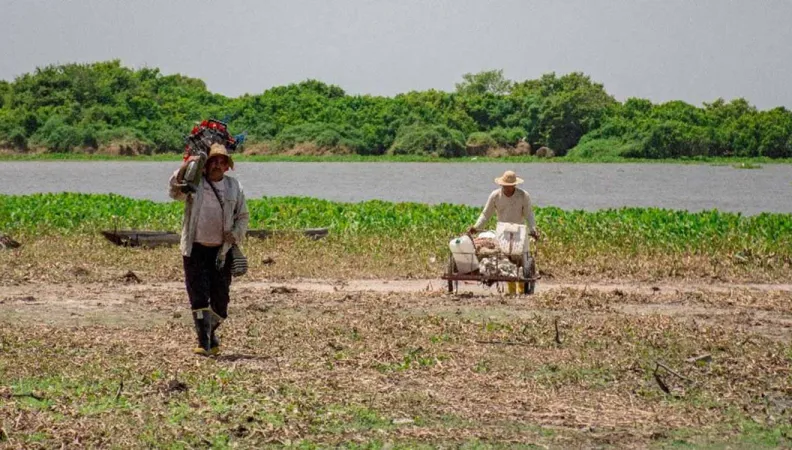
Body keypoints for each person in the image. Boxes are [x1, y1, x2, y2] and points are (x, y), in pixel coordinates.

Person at [169, 143, 249, 356]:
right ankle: (204, 343)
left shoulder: (234, 187)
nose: (218, 165)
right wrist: (189, 165)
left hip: (221, 252)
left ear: (227, 167)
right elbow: (174, 190)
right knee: (199, 298)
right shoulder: (194, 184)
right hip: (195, 249)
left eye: (222, 162)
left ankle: (208, 335)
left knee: (221, 304)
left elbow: (243, 217)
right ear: (207, 164)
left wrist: (235, 234)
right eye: (214, 161)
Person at [468, 170, 539, 294]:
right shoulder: (495, 196)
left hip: (520, 231)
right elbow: (486, 214)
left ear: (514, 185)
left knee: (523, 260)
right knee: (506, 261)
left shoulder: (523, 196)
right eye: (505, 185)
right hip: (502, 231)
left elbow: (529, 214)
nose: (507, 188)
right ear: (501, 184)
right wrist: (476, 226)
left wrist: (533, 229)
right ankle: (511, 290)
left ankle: (522, 290)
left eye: (509, 186)